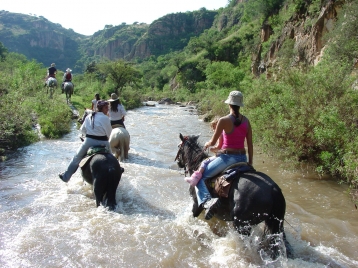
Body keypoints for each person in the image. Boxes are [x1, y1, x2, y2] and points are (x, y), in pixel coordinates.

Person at [195, 91, 253, 220]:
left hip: (227, 158)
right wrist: (250, 163)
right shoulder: (246, 121)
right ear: (240, 105)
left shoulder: (223, 120)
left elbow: (214, 142)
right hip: (243, 158)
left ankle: (208, 202)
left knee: (201, 177)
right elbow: (250, 144)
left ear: (229, 104)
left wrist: (207, 144)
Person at [58, 100, 113, 183]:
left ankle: (66, 177)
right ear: (101, 108)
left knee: (77, 157)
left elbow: (82, 130)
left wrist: (89, 134)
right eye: (106, 108)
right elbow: (109, 133)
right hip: (103, 142)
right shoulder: (106, 118)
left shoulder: (89, 116)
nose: (107, 110)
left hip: (89, 141)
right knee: (112, 158)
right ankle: (118, 169)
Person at [184, 116, 222, 186]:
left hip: (221, 156)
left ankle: (196, 177)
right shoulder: (225, 134)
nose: (213, 130)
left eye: (214, 128)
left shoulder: (220, 135)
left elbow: (219, 146)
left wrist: (211, 149)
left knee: (204, 162)